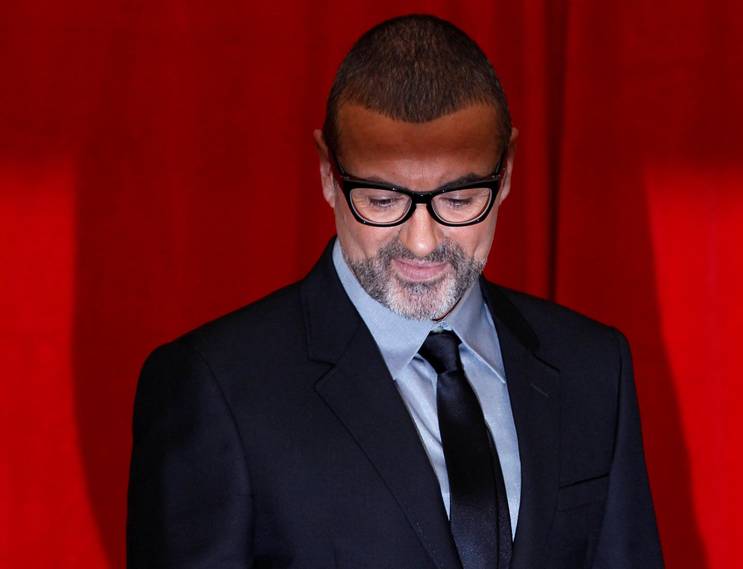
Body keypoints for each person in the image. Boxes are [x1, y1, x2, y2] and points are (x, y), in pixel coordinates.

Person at [127, 14, 663, 569]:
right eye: (382, 201)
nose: (423, 242)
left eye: (458, 200)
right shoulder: (216, 388)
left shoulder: (593, 368)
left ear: (505, 173)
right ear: (329, 174)